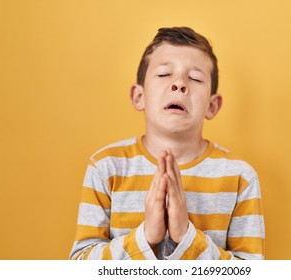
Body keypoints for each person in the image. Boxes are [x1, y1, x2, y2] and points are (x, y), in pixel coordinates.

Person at [69, 27, 265, 260]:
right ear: (139, 96)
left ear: (212, 106)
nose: (180, 84)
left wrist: (186, 235)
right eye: (164, 74)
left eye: (195, 78)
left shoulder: (240, 177)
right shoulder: (105, 167)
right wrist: (145, 236)